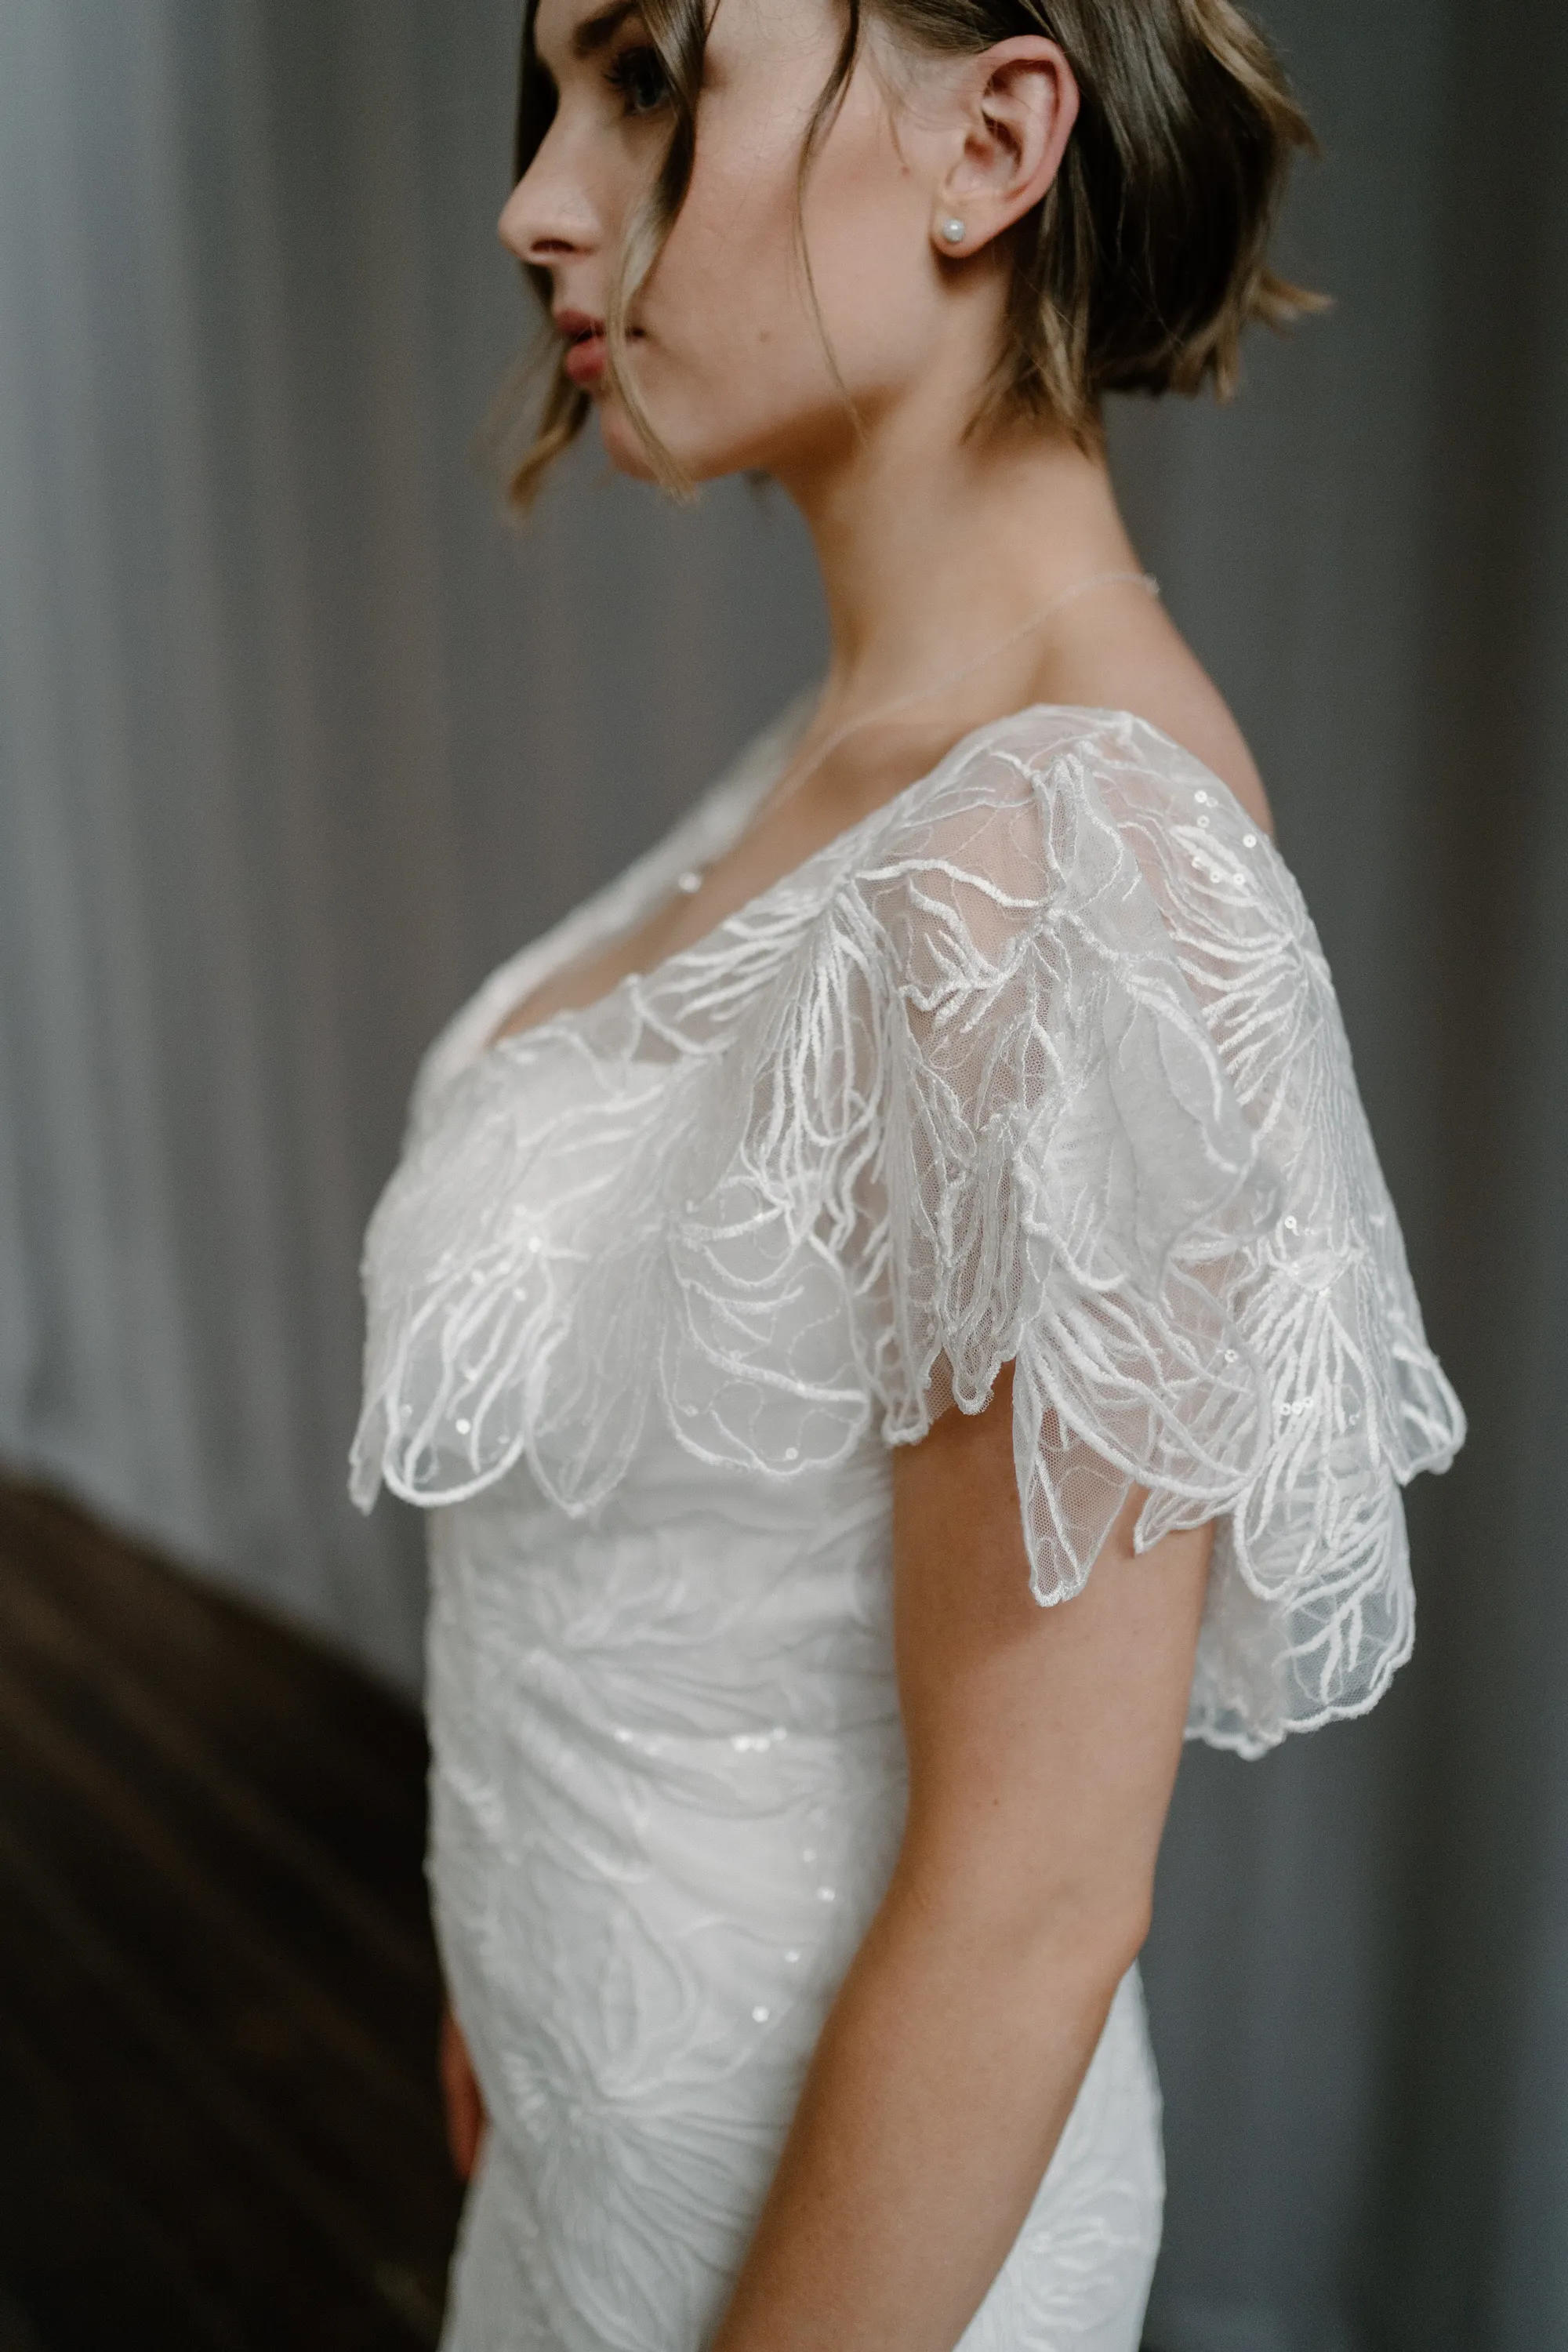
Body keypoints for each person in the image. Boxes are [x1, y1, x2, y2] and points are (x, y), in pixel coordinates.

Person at [350, 3, 1467, 2345]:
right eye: (549, 98)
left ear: (992, 142)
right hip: (595, 2190)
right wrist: (532, 1968)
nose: (536, 203)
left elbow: (1036, 1900)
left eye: (651, 80)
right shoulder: (854, 760)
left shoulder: (1068, 857)